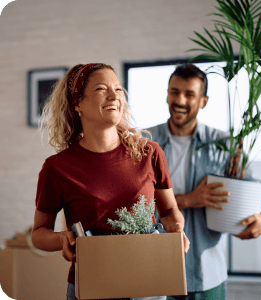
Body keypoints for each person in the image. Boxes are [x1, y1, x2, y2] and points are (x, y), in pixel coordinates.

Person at [31, 63, 190, 300]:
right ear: (77, 103)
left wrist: (177, 228)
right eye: (101, 89)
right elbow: (38, 234)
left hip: (149, 282)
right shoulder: (57, 168)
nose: (114, 95)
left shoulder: (150, 153)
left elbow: (168, 211)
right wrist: (60, 238)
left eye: (118, 89)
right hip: (91, 285)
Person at [147, 64, 261, 300]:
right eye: (174, 92)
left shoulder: (224, 143)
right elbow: (130, 203)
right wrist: (188, 200)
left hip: (209, 275)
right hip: (157, 273)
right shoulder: (144, 142)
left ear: (204, 101)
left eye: (189, 94)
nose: (180, 100)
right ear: (166, 94)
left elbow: (260, 189)